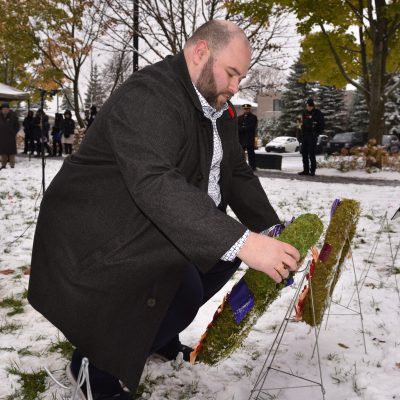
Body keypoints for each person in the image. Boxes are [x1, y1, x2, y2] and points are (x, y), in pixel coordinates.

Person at [28, 20, 300, 399]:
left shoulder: (216, 108)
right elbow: (154, 181)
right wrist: (242, 241)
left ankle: (156, 338)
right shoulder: (150, 95)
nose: (236, 87)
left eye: (241, 77)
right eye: (231, 73)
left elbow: (235, 172)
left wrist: (273, 233)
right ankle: (94, 366)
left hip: (152, 220)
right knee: (184, 284)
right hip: (97, 232)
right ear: (200, 52)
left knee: (220, 259)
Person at [298, 98, 324, 176]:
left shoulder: (317, 113)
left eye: (308, 106)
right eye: (306, 106)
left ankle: (312, 170)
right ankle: (305, 170)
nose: (307, 107)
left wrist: (317, 133)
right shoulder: (304, 113)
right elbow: (300, 124)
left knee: (311, 153)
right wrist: (299, 135)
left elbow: (322, 124)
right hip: (305, 135)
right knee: (304, 153)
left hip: (312, 136)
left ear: (312, 106)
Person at [0, 102, 20, 170]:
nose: (5, 110)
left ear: (9, 109)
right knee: (3, 152)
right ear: (1, 110)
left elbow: (17, 126)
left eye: (6, 109)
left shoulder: (13, 115)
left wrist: (13, 132)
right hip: (1, 136)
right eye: (3, 109)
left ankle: (12, 165)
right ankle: (3, 165)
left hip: (10, 136)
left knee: (11, 152)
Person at [238, 103, 258, 170]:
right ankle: (242, 166)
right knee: (241, 154)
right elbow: (237, 127)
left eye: (247, 109)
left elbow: (252, 127)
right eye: (245, 109)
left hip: (249, 138)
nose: (246, 110)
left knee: (251, 153)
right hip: (241, 138)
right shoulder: (239, 118)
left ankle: (252, 167)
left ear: (250, 109)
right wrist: (242, 129)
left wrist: (243, 128)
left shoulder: (253, 117)